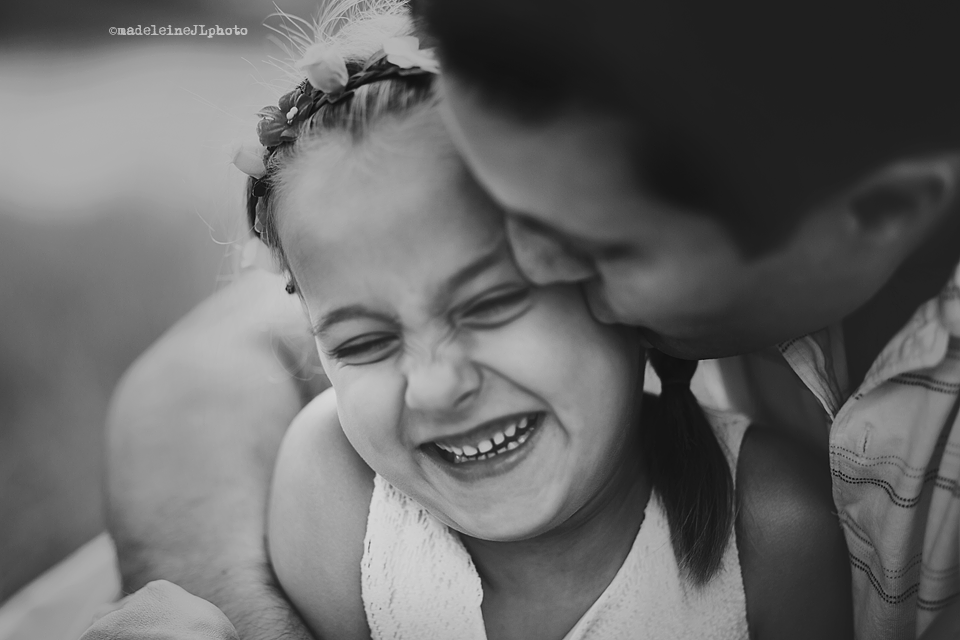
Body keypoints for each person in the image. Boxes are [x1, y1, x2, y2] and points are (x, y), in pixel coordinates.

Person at [89, 0, 960, 639]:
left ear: (878, 214)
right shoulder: (560, 114)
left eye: (593, 244)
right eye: (521, 216)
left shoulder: (770, 527)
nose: (543, 263)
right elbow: (201, 376)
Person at [246, 8, 847, 638]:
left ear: (607, 277)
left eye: (490, 305)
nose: (435, 386)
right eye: (363, 343)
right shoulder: (333, 490)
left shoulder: (773, 525)